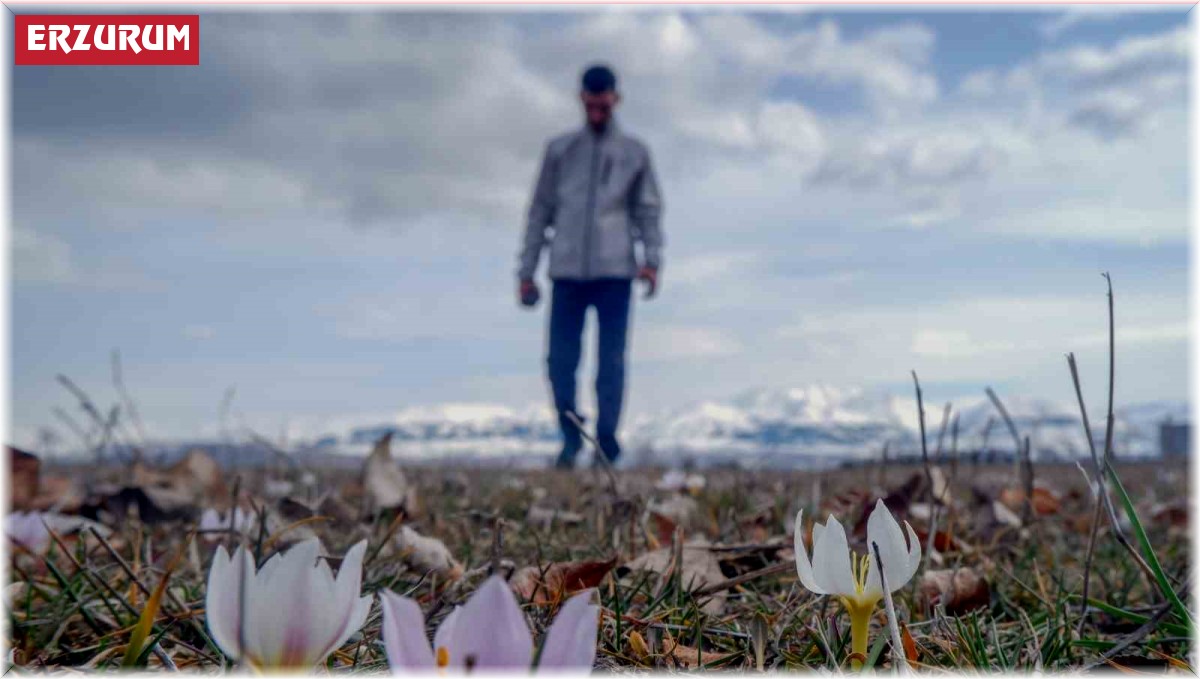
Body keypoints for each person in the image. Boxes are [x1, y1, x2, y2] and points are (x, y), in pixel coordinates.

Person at [516, 63, 664, 469]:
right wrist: (526, 271)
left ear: (615, 99)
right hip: (566, 273)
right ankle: (571, 438)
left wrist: (651, 261)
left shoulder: (634, 153)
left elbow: (647, 211)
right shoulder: (560, 151)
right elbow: (539, 211)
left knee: (611, 363)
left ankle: (607, 444)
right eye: (591, 101)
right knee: (559, 363)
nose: (597, 108)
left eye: (604, 101)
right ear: (582, 98)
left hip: (616, 273)